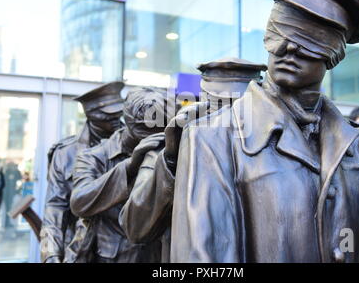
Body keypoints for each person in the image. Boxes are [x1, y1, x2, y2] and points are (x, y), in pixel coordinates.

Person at [169, 0, 359, 263]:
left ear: (334, 55)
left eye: (309, 42)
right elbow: (204, 257)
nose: (288, 49)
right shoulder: (213, 137)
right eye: (280, 32)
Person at [119, 58, 266, 262]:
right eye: (220, 107)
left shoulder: (274, 144)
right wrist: (171, 160)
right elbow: (134, 226)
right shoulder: (172, 147)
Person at [69, 87, 173, 263]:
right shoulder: (94, 157)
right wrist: (129, 167)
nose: (150, 141)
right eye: (142, 135)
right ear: (128, 122)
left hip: (156, 255)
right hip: (112, 258)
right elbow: (79, 202)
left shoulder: (167, 152)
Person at [40, 81, 125, 263]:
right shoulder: (65, 153)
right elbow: (55, 208)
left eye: (118, 112)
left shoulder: (133, 146)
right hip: (78, 250)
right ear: (91, 114)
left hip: (125, 252)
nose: (117, 117)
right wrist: (50, 254)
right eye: (109, 114)